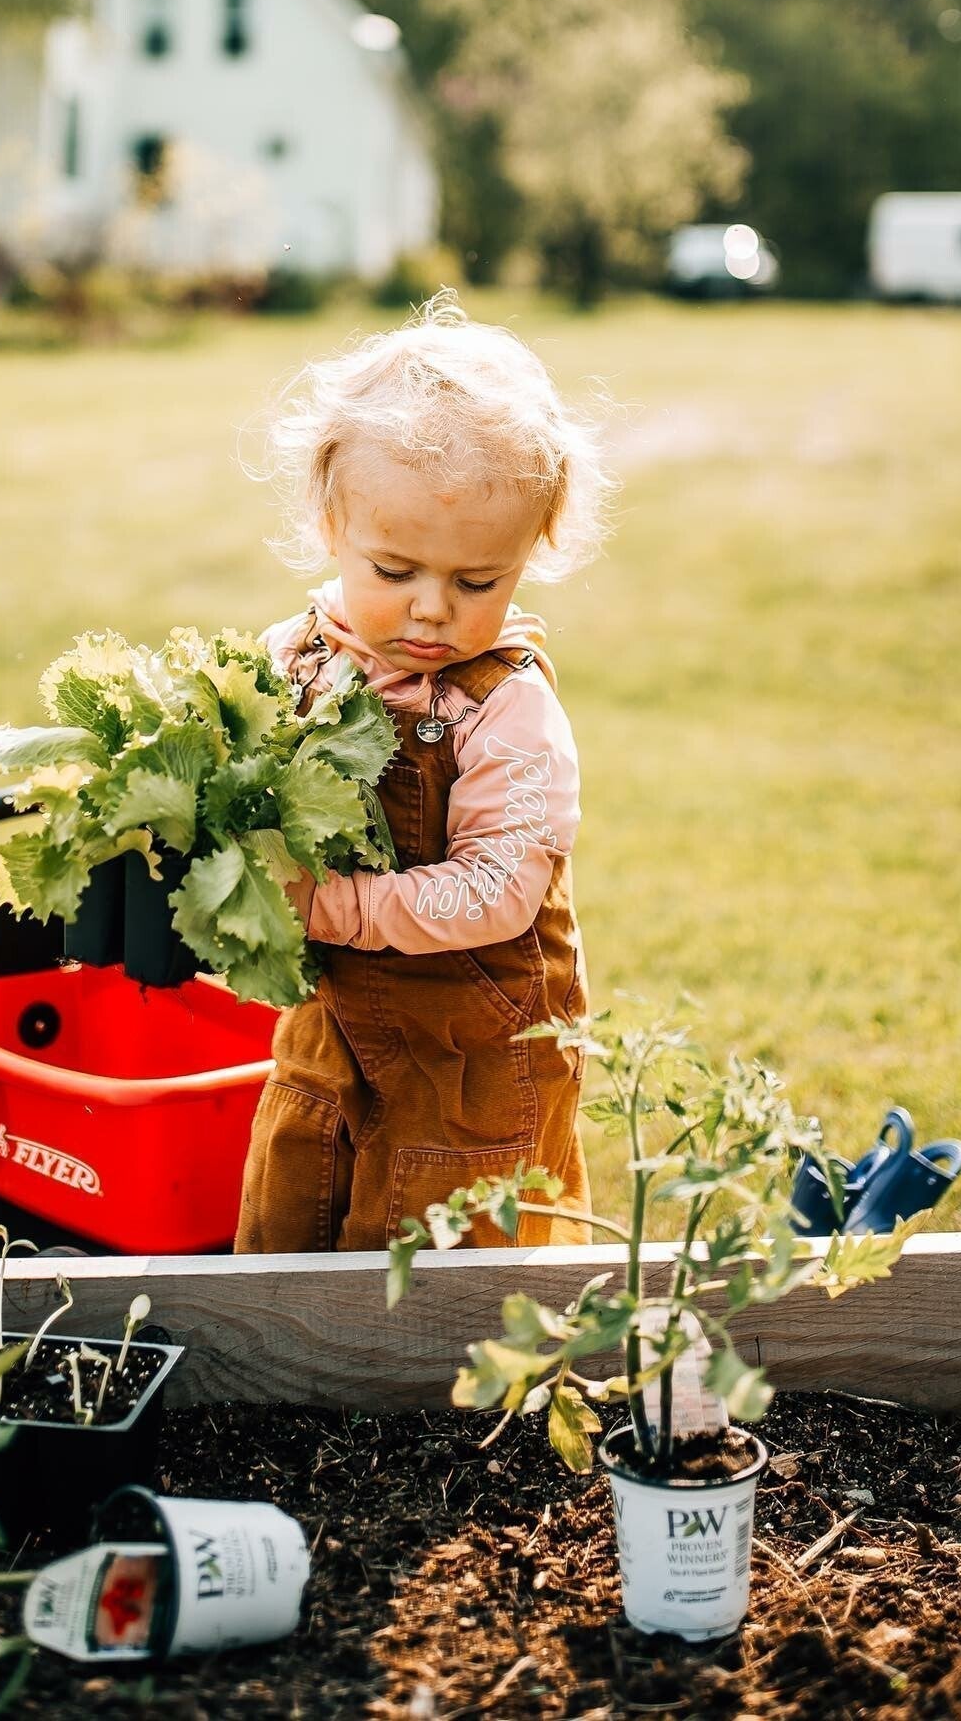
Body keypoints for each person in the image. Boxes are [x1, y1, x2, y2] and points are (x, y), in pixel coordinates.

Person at [234, 294, 613, 1255]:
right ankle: (285, 1394)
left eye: (477, 583)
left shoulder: (506, 710)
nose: (433, 610)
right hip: (332, 1032)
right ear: (331, 523)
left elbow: (498, 890)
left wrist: (332, 907)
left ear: (532, 552)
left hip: (474, 1061)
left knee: (444, 1284)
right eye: (395, 570)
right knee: (294, 1215)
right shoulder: (298, 659)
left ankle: (439, 1410)